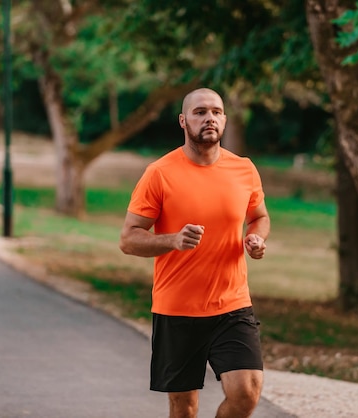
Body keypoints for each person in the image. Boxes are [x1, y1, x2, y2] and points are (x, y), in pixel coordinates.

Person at [119, 87, 270, 418]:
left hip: (232, 304)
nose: (210, 118)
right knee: (184, 409)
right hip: (178, 309)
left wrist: (255, 239)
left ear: (225, 120)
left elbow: (258, 216)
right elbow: (129, 239)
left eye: (216, 111)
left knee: (246, 392)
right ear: (183, 121)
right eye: (200, 112)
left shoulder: (243, 169)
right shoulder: (160, 173)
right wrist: (172, 240)